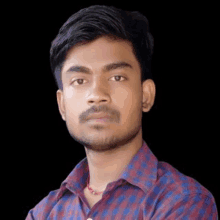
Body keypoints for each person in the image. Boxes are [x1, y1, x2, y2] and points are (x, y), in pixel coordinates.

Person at [26, 5, 218, 219]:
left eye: (117, 77)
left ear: (146, 95)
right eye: (79, 81)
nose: (97, 94)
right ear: (62, 105)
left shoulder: (183, 201)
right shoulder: (44, 212)